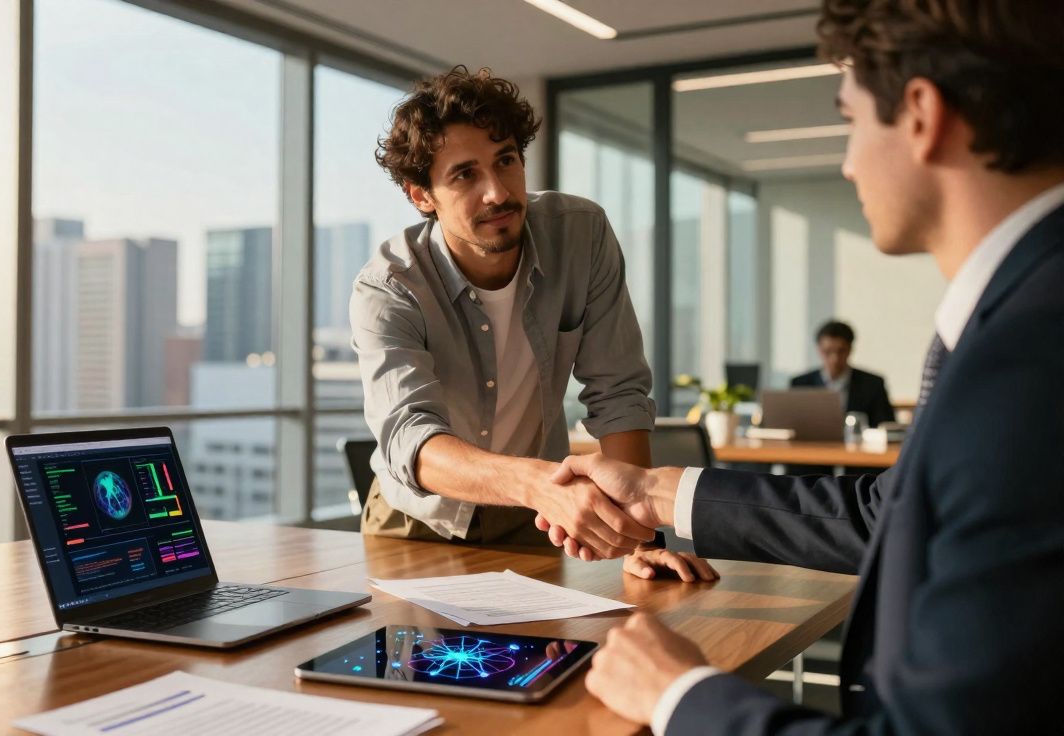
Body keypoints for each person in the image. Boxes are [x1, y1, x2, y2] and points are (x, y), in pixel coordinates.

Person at [539, 0, 1064, 731]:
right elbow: (885, 513)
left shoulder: (1028, 368)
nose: (848, 160)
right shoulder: (1018, 318)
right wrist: (658, 492)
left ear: (920, 114)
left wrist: (679, 694)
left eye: (850, 120)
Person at [350, 66, 715, 581]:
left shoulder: (580, 236)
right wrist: (540, 483)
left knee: (547, 660)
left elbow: (618, 392)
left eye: (506, 162)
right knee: (416, 664)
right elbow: (411, 440)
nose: (497, 192)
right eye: (465, 175)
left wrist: (641, 540)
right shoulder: (389, 287)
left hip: (533, 520)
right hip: (415, 524)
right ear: (420, 195)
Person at [791, 320, 895, 427]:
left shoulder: (873, 384)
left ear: (850, 349)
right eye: (828, 351)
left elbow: (886, 426)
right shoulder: (800, 384)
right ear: (819, 350)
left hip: (858, 443)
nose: (834, 359)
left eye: (841, 351)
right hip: (812, 443)